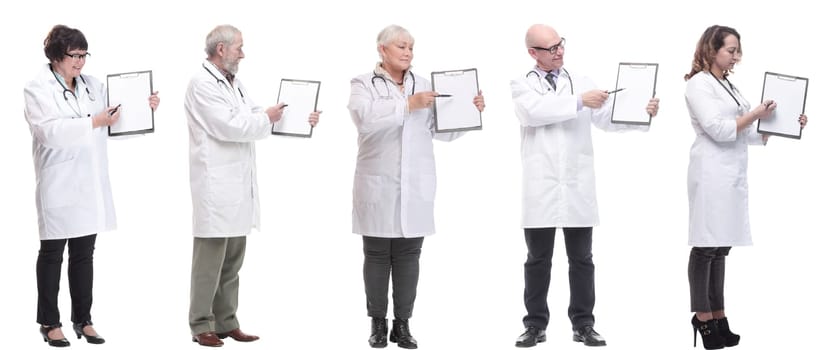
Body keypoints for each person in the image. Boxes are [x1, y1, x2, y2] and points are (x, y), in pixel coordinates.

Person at [510, 24, 660, 348]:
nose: (559, 51)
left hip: (576, 184)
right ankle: (535, 325)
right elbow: (533, 113)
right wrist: (579, 101)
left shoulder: (581, 81)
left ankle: (583, 324)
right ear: (532, 53)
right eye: (551, 48)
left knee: (582, 259)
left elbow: (606, 117)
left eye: (560, 44)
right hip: (541, 186)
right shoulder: (522, 85)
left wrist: (641, 113)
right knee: (538, 260)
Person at [347, 24, 485, 349]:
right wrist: (407, 104)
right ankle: (378, 324)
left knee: (410, 256)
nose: (408, 52)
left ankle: (403, 325)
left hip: (417, 184)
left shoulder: (424, 85)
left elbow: (441, 130)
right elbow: (364, 120)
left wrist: (469, 111)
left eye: (411, 47)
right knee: (378, 256)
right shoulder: (362, 84)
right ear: (382, 50)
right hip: (377, 184)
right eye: (401, 47)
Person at [23, 24, 160, 347]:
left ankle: (83, 320)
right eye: (74, 55)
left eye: (84, 55)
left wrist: (146, 106)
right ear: (57, 56)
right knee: (53, 254)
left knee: (84, 255)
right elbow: (48, 133)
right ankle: (49, 322)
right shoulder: (37, 88)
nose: (81, 62)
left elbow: (117, 119)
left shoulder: (93, 85)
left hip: (89, 184)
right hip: (58, 183)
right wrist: (93, 122)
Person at [184, 24, 321, 347]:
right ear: (221, 49)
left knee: (232, 261)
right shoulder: (202, 84)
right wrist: (268, 118)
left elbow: (254, 114)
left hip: (237, 186)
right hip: (216, 186)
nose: (242, 54)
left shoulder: (234, 82)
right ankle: (201, 323)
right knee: (209, 262)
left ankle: (226, 321)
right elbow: (229, 126)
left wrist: (298, 117)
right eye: (239, 48)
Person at [683, 25, 807, 350]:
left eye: (738, 50)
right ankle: (702, 318)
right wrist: (754, 114)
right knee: (705, 245)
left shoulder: (729, 86)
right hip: (710, 172)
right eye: (731, 50)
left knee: (722, 247)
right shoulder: (698, 85)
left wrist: (782, 122)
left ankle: (719, 316)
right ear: (711, 50)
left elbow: (749, 134)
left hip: (731, 174)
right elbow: (718, 128)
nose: (736, 56)